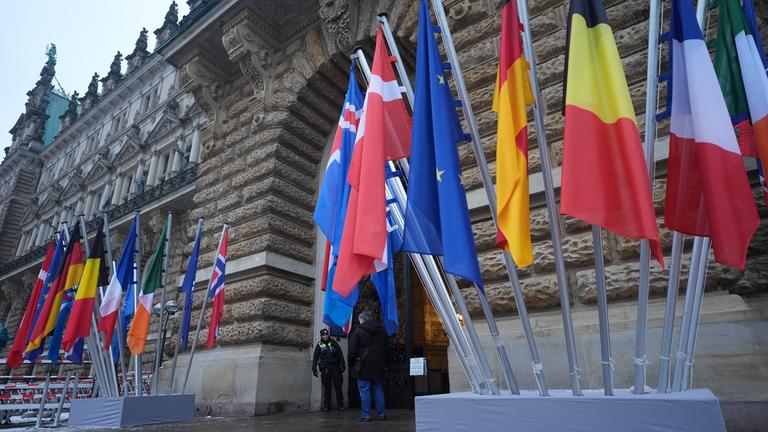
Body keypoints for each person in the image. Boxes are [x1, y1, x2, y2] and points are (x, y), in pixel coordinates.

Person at [348, 311, 388, 422]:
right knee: (378, 389)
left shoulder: (358, 332)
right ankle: (382, 414)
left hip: (363, 366)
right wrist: (386, 364)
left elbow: (352, 351)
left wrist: (351, 363)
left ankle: (366, 415)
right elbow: (387, 350)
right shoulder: (382, 331)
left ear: (362, 320)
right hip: (379, 366)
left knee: (364, 390)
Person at [312, 328, 346, 412]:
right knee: (327, 387)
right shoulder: (319, 345)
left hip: (335, 367)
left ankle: (340, 405)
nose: (325, 336)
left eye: (326, 334)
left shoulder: (333, 343)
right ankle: (327, 406)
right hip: (325, 368)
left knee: (338, 386)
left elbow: (340, 353)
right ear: (321, 336)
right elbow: (315, 357)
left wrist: (343, 364)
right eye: (324, 335)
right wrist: (314, 368)